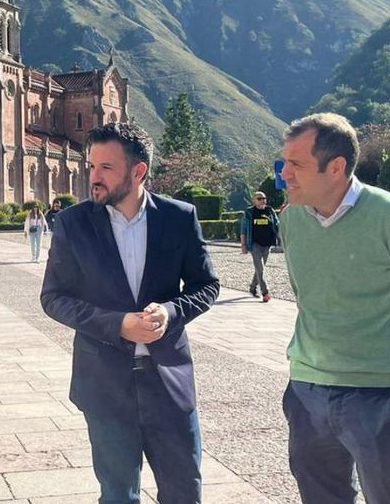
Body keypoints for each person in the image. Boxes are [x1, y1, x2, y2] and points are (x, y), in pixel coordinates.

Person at [277, 114, 390, 504]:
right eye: (284, 163)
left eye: (297, 165)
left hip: (377, 396)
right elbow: (307, 297)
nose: (284, 175)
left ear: (336, 167)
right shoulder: (292, 221)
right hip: (307, 392)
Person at [40, 123, 220, 504]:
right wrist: (117, 324)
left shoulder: (179, 218)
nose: (93, 177)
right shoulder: (73, 224)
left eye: (106, 167)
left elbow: (208, 286)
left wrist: (171, 312)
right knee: (118, 495)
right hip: (104, 386)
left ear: (138, 172)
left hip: (168, 383)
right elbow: (53, 297)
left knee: (185, 492)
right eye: (92, 166)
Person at [240, 191, 280, 303]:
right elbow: (243, 230)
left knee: (259, 269)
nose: (262, 200)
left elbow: (277, 225)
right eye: (259, 198)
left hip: (267, 244)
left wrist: (281, 239)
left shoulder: (270, 211)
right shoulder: (249, 212)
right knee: (260, 268)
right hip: (254, 244)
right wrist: (243, 245)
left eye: (264, 198)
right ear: (254, 200)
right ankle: (265, 292)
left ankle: (252, 287)